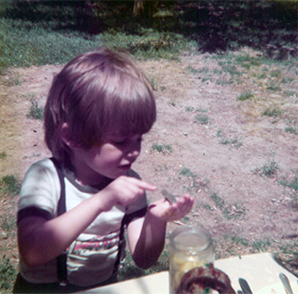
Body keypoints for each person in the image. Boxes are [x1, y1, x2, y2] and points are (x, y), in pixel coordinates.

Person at [14, 47, 194, 293]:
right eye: (120, 142)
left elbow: (143, 259)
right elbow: (32, 251)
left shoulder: (128, 182)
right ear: (72, 137)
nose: (134, 152)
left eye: (139, 139)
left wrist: (155, 220)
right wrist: (103, 199)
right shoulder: (45, 177)